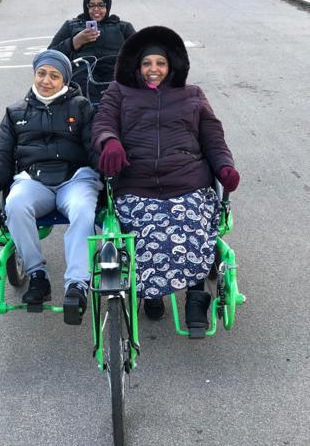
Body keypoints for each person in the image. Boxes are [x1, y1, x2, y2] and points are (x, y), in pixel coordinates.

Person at [92, 26, 240, 335]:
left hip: (187, 181)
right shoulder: (119, 92)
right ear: (137, 66)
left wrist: (224, 166)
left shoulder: (193, 95)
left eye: (160, 63)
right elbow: (103, 122)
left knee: (190, 223)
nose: (153, 70)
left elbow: (213, 138)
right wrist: (110, 142)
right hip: (137, 182)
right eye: (147, 64)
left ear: (171, 65)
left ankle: (196, 297)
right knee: (143, 230)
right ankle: (152, 292)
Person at [0, 49, 102, 324]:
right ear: (34, 74)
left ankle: (77, 284)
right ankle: (37, 275)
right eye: (41, 73)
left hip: (75, 178)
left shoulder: (81, 106)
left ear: (65, 80)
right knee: (15, 204)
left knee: (84, 211)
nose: (46, 80)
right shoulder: (15, 113)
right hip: (34, 179)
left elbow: (93, 147)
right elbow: (1, 154)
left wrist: (108, 170)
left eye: (54, 75)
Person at [48, 0, 135, 104]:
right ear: (86, 6)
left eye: (101, 5)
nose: (96, 9)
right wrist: (75, 42)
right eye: (92, 5)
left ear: (107, 6)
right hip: (83, 74)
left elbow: (140, 51)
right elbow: (50, 55)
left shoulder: (122, 27)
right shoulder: (72, 25)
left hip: (113, 74)